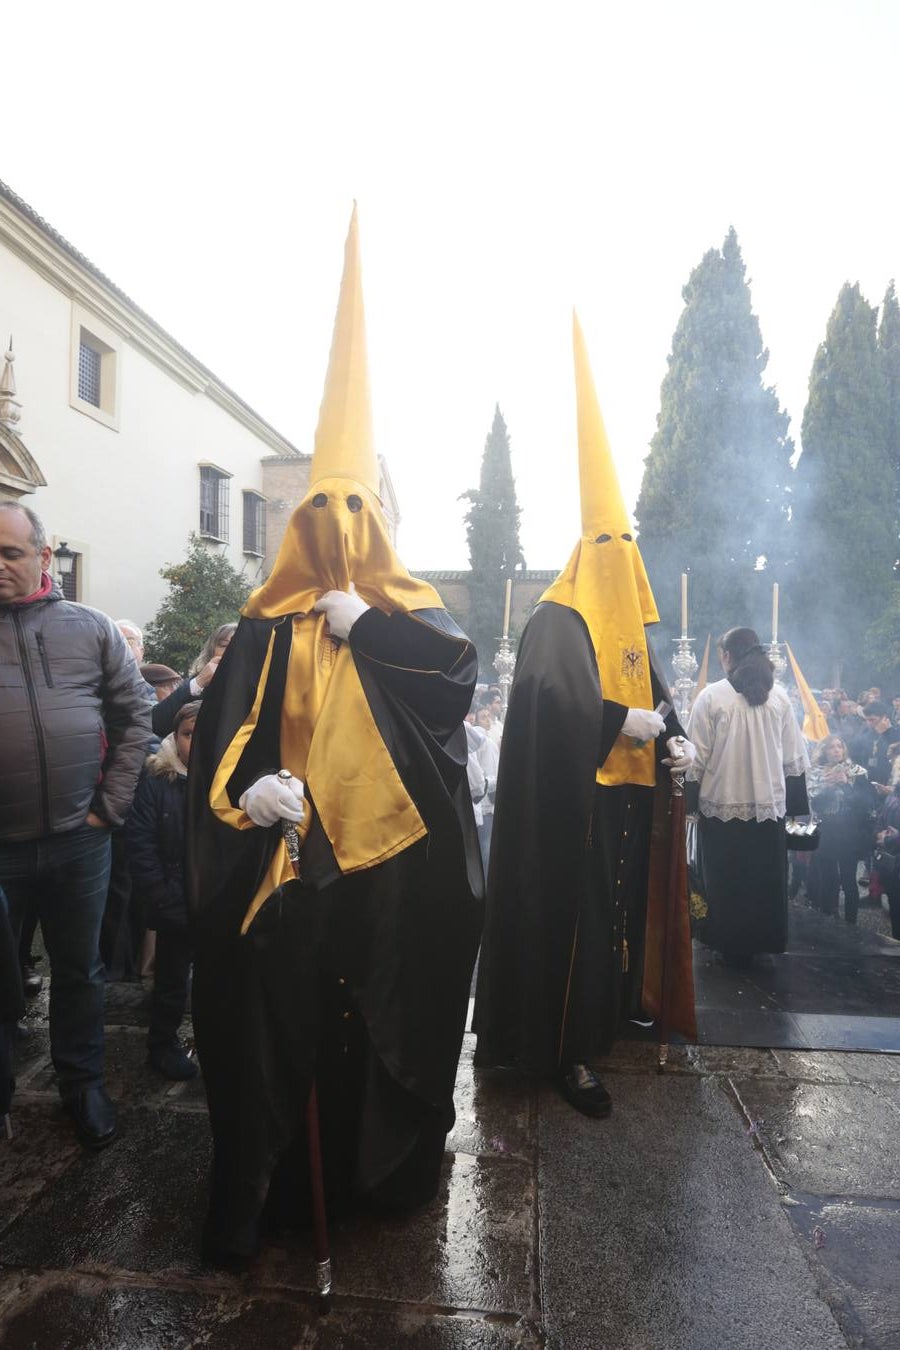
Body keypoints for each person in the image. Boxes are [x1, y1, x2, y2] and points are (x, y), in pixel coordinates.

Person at [187, 208, 482, 1264]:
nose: (343, 527)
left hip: (390, 881)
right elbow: (221, 750)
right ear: (302, 520)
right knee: (285, 1040)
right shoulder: (265, 623)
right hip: (290, 872)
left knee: (377, 1034)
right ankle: (278, 1191)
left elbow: (456, 686)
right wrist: (251, 796)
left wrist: (379, 630)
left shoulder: (414, 621)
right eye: (327, 507)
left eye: (361, 507)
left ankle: (380, 1174)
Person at [474, 314, 696, 1118]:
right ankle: (565, 1051)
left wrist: (674, 738)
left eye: (626, 542)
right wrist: (616, 724)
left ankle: (614, 1016)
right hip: (579, 806)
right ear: (583, 550)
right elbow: (549, 707)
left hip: (633, 801)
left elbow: (658, 696)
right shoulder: (555, 619)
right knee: (576, 930)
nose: (620, 556)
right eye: (606, 541)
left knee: (621, 922)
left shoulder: (632, 630)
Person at [0, 501, 151, 1147]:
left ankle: (82, 1085)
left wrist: (107, 808)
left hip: (80, 840)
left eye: (8, 552)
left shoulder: (89, 628)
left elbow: (136, 718)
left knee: (80, 970)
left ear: (43, 554)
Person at [686, 627, 809, 965]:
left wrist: (688, 806)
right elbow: (794, 760)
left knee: (726, 882)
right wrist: (798, 811)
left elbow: (696, 758)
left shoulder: (711, 698)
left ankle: (727, 941)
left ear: (727, 656)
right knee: (763, 881)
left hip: (722, 808)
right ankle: (763, 939)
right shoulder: (780, 698)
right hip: (768, 811)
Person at [128, 701, 200, 1080]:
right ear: (175, 737)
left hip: (212, 900)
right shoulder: (157, 780)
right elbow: (140, 843)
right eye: (188, 735)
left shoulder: (225, 778)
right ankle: (162, 1044)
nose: (196, 742)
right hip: (173, 899)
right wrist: (159, 894)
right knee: (171, 980)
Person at [806, 735, 873, 925]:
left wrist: (845, 785)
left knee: (848, 880)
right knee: (827, 878)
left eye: (839, 747)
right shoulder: (816, 773)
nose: (836, 750)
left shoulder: (858, 772)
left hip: (848, 832)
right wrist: (827, 787)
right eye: (831, 747)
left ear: (844, 750)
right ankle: (830, 917)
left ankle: (851, 922)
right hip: (826, 831)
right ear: (824, 751)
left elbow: (865, 804)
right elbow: (815, 805)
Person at [151, 624, 236, 741]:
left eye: (239, 646)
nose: (231, 651)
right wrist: (199, 682)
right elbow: (157, 724)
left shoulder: (263, 688)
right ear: (212, 652)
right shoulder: (198, 686)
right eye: (224, 645)